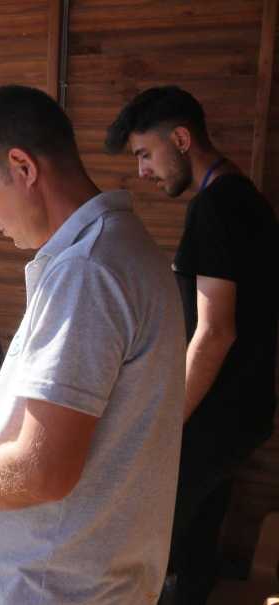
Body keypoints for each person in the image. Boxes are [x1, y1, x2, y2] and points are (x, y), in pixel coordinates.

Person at [0, 85, 186, 605]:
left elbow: (42, 472)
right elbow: (74, 435)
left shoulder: (87, 271)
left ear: (23, 167)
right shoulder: (117, 246)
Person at [106, 86, 279, 604]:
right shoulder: (247, 197)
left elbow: (215, 332)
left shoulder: (214, 208)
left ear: (180, 139)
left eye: (144, 154)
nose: (142, 170)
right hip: (242, 412)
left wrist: (163, 422)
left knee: (153, 552)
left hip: (213, 416)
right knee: (197, 544)